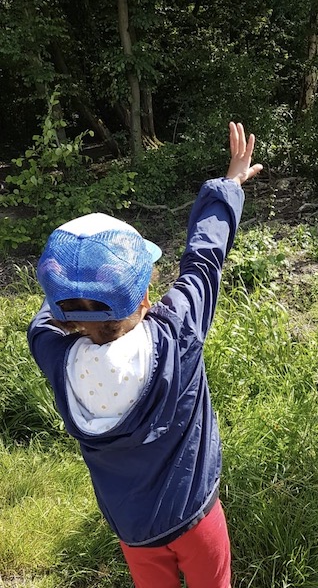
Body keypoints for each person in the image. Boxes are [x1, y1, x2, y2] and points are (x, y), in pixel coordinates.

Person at [27, 122, 263, 588]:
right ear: (145, 299)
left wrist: (68, 293)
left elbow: (42, 325)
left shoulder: (58, 360)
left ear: (64, 318)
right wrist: (229, 185)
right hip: (196, 518)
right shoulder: (176, 333)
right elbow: (204, 258)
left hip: (134, 531)